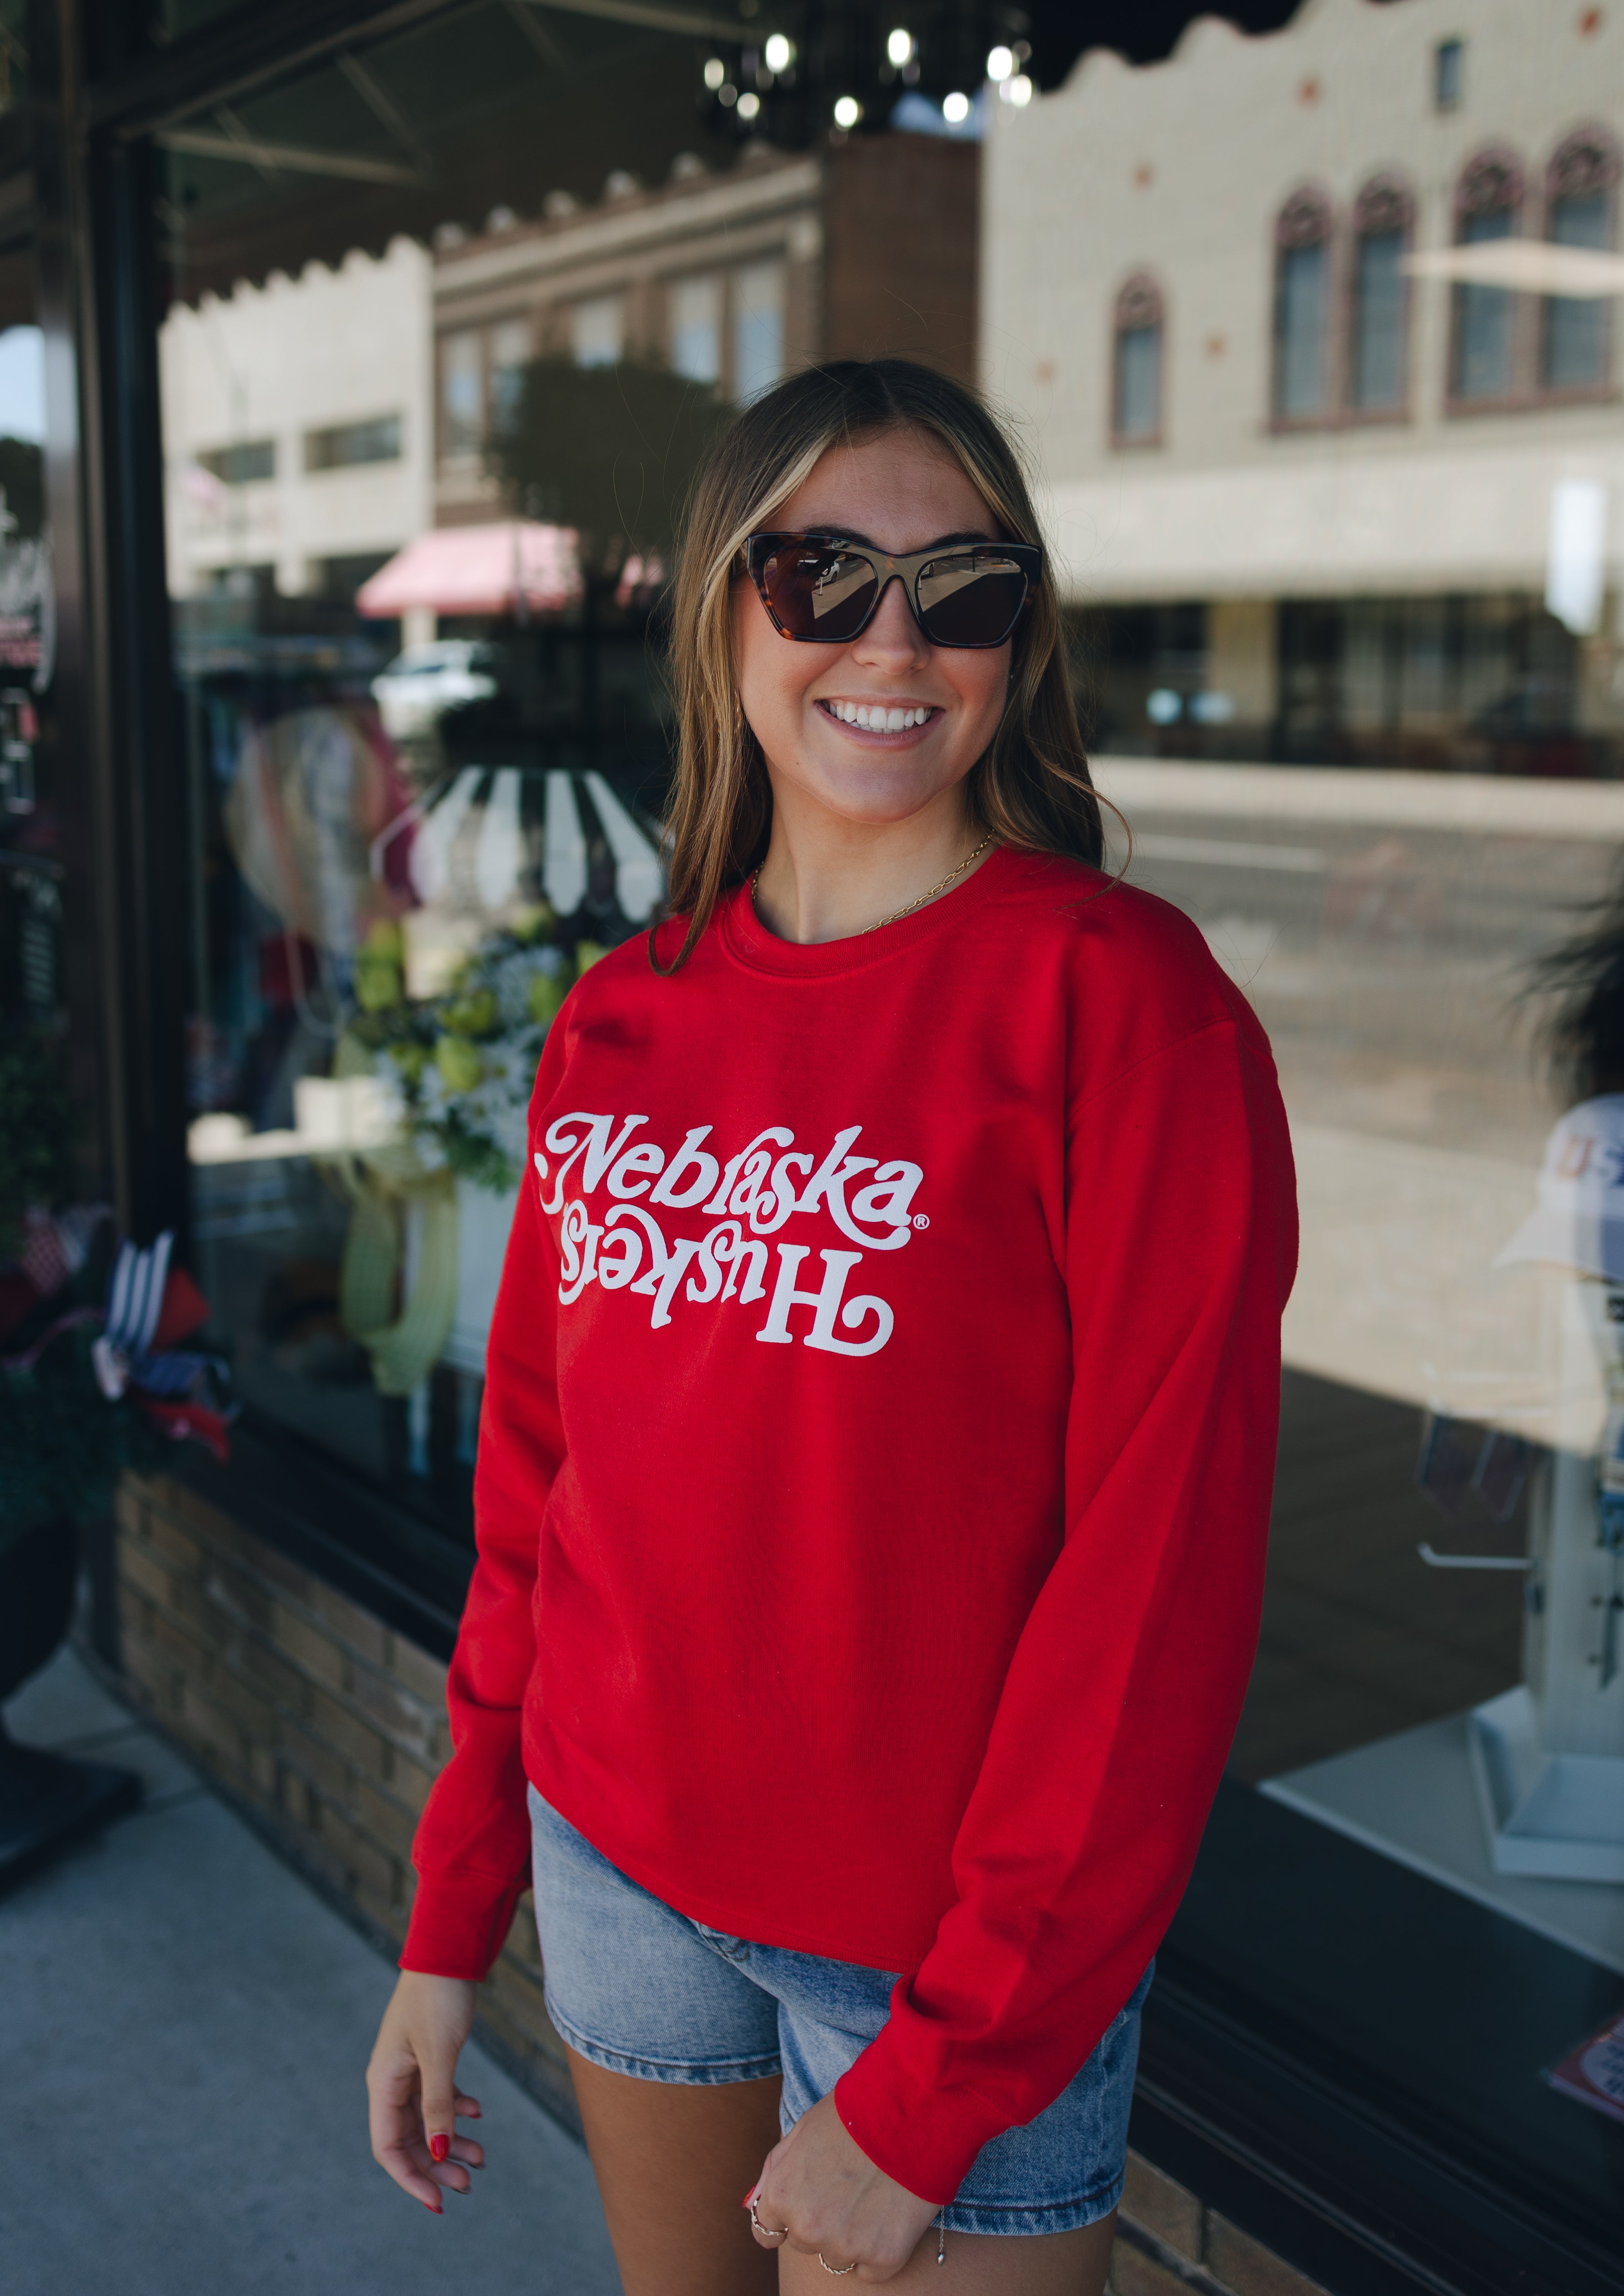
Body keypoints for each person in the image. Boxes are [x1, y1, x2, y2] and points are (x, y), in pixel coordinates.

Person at [366, 358, 1298, 2293]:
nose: (894, 640)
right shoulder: (622, 1012)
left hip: (936, 1961)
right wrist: (452, 1909)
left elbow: (1155, 1582)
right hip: (616, 1862)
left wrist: (943, 2077)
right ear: (725, 609)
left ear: (1016, 638)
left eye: (963, 589)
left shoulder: (1119, 1004)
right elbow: (536, 1500)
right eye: (825, 577)